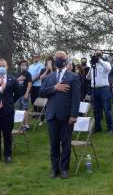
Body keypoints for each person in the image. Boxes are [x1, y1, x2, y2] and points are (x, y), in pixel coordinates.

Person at [40, 51, 80, 179]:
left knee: (66, 143)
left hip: (66, 116)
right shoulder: (49, 77)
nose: (59, 59)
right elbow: (41, 92)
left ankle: (64, 169)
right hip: (52, 115)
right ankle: (54, 168)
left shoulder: (73, 77)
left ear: (66, 59)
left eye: (61, 57)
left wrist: (74, 115)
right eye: (57, 57)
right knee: (54, 144)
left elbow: (76, 98)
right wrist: (54, 88)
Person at [0, 59, 21, 163]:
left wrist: (11, 102)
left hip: (7, 112)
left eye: (3, 65)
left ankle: (8, 155)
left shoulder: (13, 79)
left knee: (7, 134)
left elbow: (18, 93)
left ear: (7, 67)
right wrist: (0, 89)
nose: (1, 67)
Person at [86, 50, 113, 133]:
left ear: (101, 55)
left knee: (106, 109)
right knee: (96, 110)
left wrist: (100, 60)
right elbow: (88, 77)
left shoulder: (105, 63)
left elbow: (109, 69)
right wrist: (91, 67)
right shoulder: (93, 65)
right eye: (95, 54)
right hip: (94, 89)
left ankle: (110, 128)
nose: (96, 55)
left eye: (98, 54)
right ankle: (98, 127)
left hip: (104, 89)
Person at [16, 60, 32, 129]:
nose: (23, 66)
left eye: (25, 65)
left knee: (25, 109)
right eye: (22, 65)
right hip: (18, 95)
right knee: (19, 110)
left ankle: (26, 125)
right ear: (20, 66)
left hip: (24, 94)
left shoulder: (28, 74)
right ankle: (22, 125)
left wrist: (27, 93)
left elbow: (29, 84)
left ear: (27, 66)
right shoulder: (18, 74)